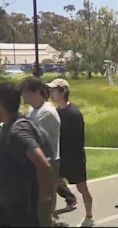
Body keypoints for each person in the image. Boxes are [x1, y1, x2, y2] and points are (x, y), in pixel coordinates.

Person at [20, 77, 76, 224]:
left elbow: (27, 136)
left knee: (44, 209)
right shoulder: (32, 109)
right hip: (35, 162)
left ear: (35, 92)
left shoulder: (47, 113)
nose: (22, 95)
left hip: (48, 164)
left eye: (25, 92)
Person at [0, 82, 53, 226]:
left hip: (20, 206)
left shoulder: (18, 131)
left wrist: (44, 200)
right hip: (12, 203)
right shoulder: (15, 123)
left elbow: (43, 165)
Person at [47, 79, 95, 226]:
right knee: (52, 187)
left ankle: (89, 216)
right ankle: (49, 218)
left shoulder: (73, 113)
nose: (51, 92)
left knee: (82, 188)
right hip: (59, 157)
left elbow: (77, 139)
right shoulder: (55, 112)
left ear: (63, 92)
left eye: (54, 90)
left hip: (74, 159)